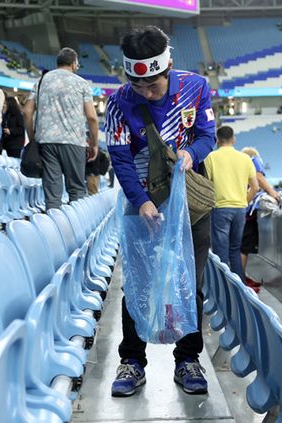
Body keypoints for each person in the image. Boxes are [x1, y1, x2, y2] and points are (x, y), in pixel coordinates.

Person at [105, 26, 216, 398]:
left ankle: (188, 359)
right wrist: (142, 202)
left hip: (189, 206)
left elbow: (206, 136)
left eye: (153, 87)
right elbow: (119, 157)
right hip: (142, 205)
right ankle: (132, 362)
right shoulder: (120, 101)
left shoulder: (195, 88)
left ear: (167, 68)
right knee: (136, 283)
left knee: (192, 283)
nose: (147, 94)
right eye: (140, 88)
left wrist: (191, 154)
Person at [23, 48, 99, 209]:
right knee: (77, 191)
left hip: (47, 141)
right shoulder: (81, 83)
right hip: (74, 142)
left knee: (52, 195)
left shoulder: (41, 81)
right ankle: (76, 231)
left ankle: (53, 231)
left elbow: (27, 111)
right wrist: (94, 144)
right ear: (73, 64)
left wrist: (32, 138)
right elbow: (92, 117)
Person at [204, 126, 259, 282]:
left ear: (217, 140)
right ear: (233, 139)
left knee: (220, 252)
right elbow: (255, 187)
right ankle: (240, 289)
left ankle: (224, 289)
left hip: (220, 209)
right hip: (240, 210)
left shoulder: (211, 158)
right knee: (235, 250)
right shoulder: (245, 159)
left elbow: (206, 186)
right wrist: (244, 202)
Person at [239, 147, 280, 285]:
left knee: (238, 246)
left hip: (235, 207)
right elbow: (258, 177)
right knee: (243, 247)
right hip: (245, 211)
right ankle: (240, 280)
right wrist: (272, 192)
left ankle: (239, 278)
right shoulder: (253, 159)